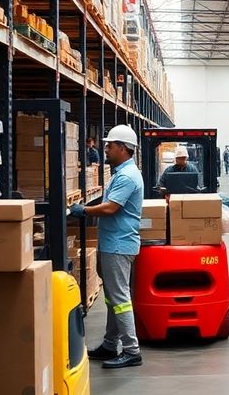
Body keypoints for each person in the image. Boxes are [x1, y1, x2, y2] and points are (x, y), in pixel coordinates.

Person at [69, 124, 145, 369]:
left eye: (110, 145)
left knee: (120, 298)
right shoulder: (121, 172)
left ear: (123, 148)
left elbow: (112, 207)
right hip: (113, 243)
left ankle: (132, 350)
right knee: (113, 298)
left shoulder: (127, 176)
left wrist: (84, 210)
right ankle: (111, 344)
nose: (106, 149)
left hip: (119, 245)